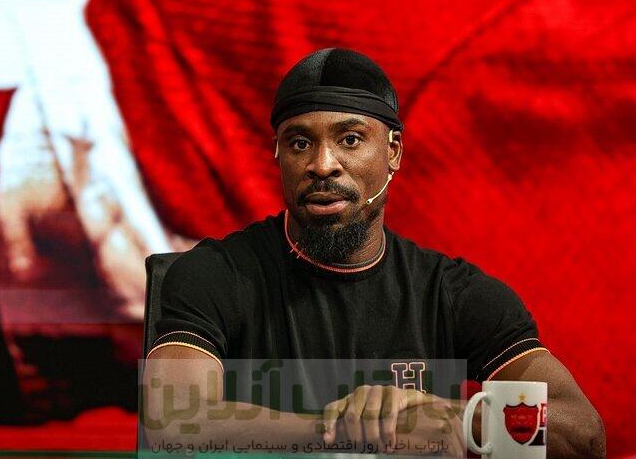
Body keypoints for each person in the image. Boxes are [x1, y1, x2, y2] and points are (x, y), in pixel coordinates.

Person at [143, 48, 605, 458]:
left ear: (393, 152)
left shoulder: (452, 294)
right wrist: (347, 432)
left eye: (350, 139)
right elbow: (172, 423)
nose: (323, 164)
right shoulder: (215, 274)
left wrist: (452, 418)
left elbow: (582, 435)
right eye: (300, 143)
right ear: (278, 154)